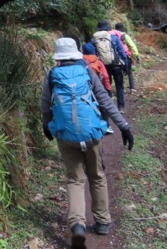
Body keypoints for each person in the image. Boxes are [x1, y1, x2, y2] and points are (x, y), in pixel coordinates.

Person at [41, 37, 134, 248]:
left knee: (75, 179)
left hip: (65, 135)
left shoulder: (52, 74)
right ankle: (102, 222)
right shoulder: (86, 71)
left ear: (58, 57)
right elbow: (104, 100)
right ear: (76, 54)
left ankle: (77, 226)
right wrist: (124, 127)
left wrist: (46, 126)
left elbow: (45, 104)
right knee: (97, 176)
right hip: (91, 134)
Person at [92, 20, 127, 113]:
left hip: (103, 66)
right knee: (119, 86)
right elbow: (121, 51)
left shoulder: (94, 40)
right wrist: (125, 64)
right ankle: (121, 107)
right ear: (108, 28)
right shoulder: (114, 38)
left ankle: (108, 108)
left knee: (106, 86)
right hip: (116, 65)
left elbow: (93, 54)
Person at [82, 42, 115, 134]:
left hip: (85, 90)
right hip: (97, 87)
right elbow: (105, 76)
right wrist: (108, 89)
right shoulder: (98, 61)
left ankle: (92, 126)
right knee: (103, 106)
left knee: (90, 106)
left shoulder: (81, 63)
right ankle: (106, 126)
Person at [114, 23, 141, 94]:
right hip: (126, 56)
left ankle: (121, 89)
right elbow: (132, 46)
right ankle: (132, 88)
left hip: (116, 57)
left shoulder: (112, 36)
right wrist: (137, 55)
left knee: (120, 73)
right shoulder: (125, 36)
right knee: (129, 72)